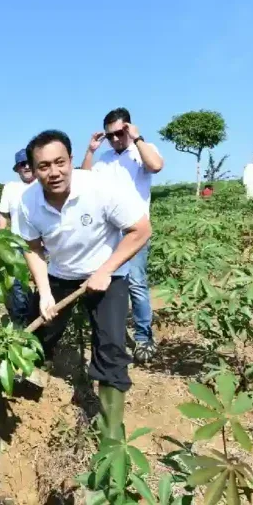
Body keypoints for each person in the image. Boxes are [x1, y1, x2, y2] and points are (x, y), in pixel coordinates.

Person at [18, 129, 151, 440]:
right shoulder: (29, 201)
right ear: (34, 169)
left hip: (108, 274)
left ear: (71, 160)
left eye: (59, 162)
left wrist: (105, 270)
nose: (53, 172)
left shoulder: (100, 187)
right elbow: (32, 246)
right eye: (44, 166)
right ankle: (27, 383)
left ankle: (111, 432)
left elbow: (141, 229)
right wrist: (46, 293)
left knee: (110, 346)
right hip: (62, 274)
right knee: (40, 331)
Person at [82, 107, 163, 364]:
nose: (116, 139)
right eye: (111, 135)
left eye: (120, 133)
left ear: (129, 128)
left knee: (136, 283)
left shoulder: (142, 152)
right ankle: (110, 334)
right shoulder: (104, 159)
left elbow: (157, 166)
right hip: (107, 233)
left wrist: (137, 139)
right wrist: (91, 151)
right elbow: (83, 181)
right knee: (107, 282)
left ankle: (143, 338)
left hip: (134, 231)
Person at [0, 148, 36, 326]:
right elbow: (3, 216)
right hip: (17, 244)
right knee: (18, 287)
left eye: (29, 162)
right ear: (17, 169)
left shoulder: (44, 185)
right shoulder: (11, 188)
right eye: (22, 164)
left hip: (45, 244)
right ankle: (22, 325)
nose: (26, 167)